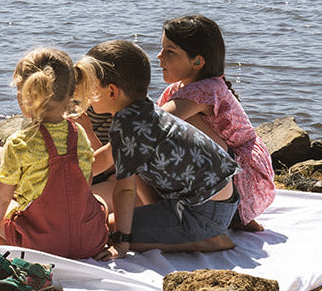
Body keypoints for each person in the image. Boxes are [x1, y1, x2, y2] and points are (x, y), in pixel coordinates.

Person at [84, 39, 239, 258]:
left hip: (204, 213)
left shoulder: (127, 126)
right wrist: (72, 173)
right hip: (221, 200)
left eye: (91, 89)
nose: (88, 98)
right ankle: (168, 222)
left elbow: (125, 190)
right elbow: (109, 155)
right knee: (131, 165)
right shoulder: (143, 110)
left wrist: (122, 242)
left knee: (108, 226)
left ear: (111, 92)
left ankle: (207, 242)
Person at [0, 47, 110, 260]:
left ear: (26, 95)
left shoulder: (20, 142)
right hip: (87, 242)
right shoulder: (79, 133)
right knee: (97, 201)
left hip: (40, 244)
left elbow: (1, 197)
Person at [156, 15, 275, 231]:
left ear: (198, 61)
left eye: (169, 51)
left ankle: (235, 212)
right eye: (162, 48)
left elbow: (154, 123)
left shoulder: (206, 89)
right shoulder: (180, 89)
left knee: (175, 122)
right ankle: (238, 218)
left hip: (243, 176)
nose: (159, 56)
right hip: (231, 168)